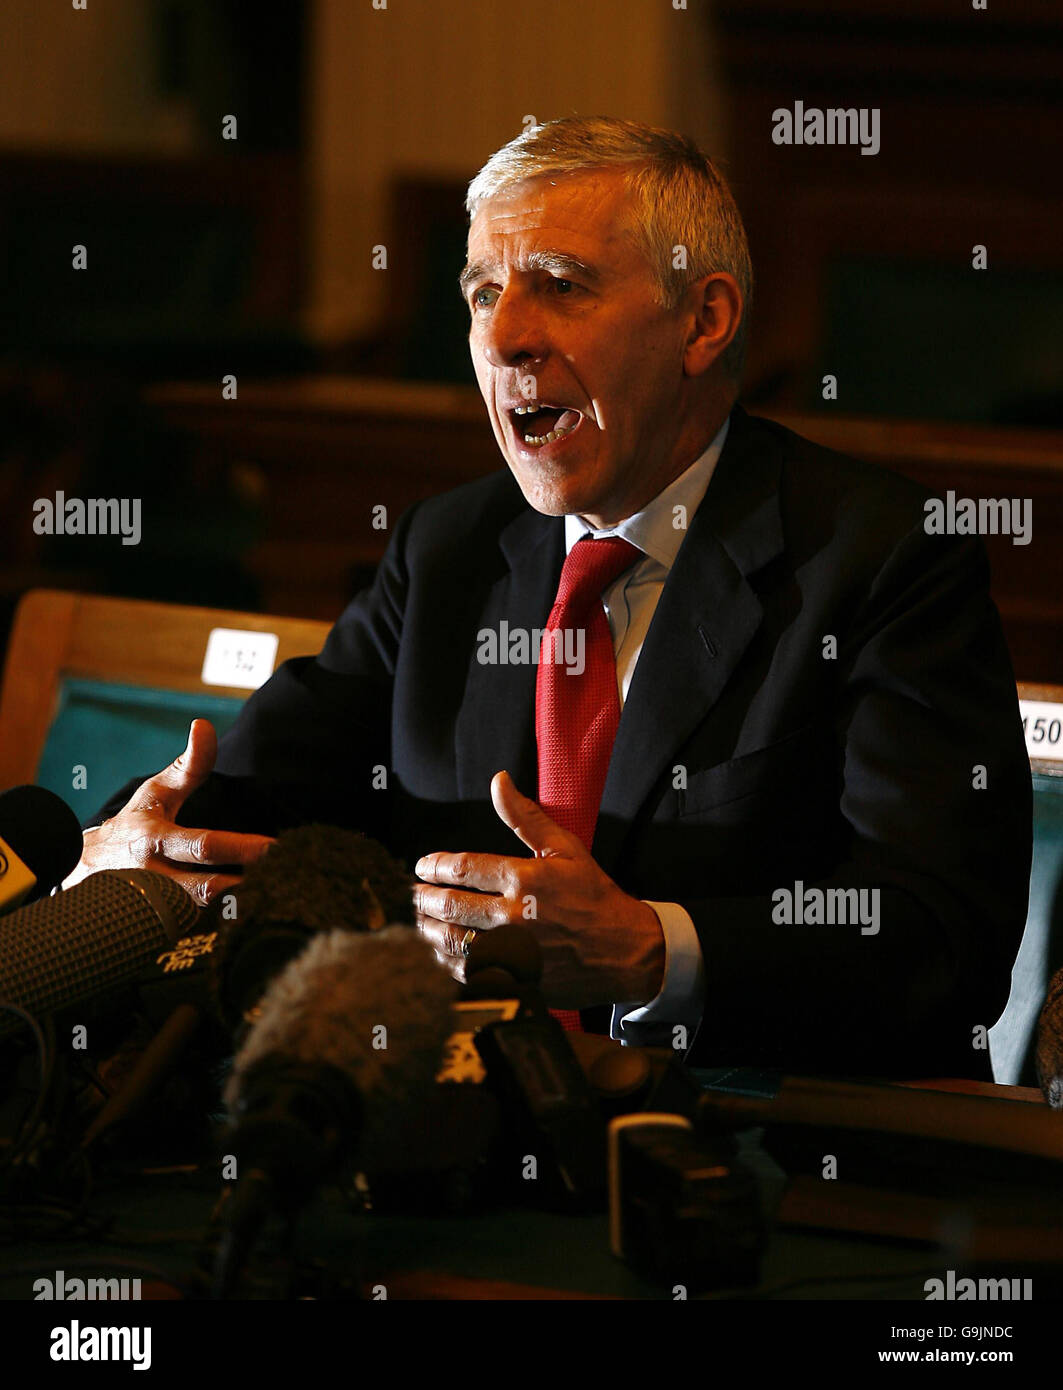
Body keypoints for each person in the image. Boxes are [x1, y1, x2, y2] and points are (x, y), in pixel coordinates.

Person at [72, 117, 1031, 1078]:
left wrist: (652, 952)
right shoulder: (448, 550)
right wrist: (121, 846)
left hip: (767, 1156)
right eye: (482, 294)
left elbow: (943, 937)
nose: (503, 336)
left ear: (702, 321)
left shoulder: (879, 556)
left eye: (560, 287)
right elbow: (234, 789)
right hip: (470, 1145)